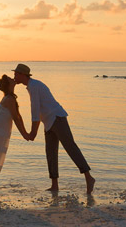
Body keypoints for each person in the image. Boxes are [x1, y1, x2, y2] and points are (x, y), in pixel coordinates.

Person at [12, 63, 95, 194]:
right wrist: (33, 131)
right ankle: (54, 185)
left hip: (57, 118)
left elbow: (35, 111)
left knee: (70, 147)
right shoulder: (31, 86)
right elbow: (37, 112)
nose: (14, 76)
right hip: (48, 121)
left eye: (16, 74)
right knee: (50, 152)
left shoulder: (34, 86)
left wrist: (32, 133)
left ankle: (89, 178)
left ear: (23, 75)